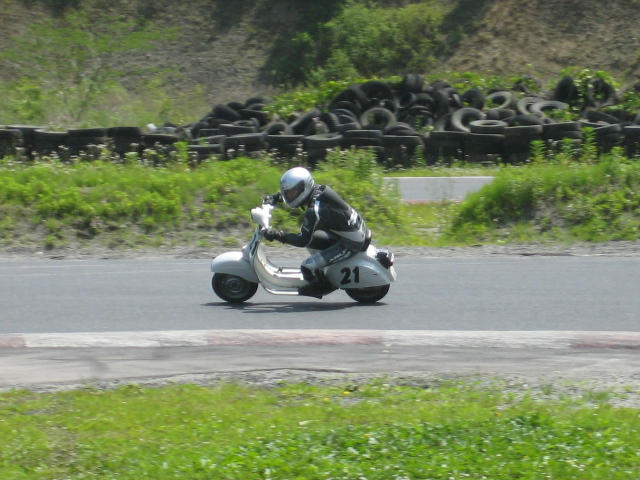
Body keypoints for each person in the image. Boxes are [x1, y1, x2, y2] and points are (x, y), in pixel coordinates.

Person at [263, 167, 368, 298]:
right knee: (313, 242)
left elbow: (303, 240)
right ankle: (324, 270)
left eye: (292, 192)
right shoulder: (318, 190)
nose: (290, 196)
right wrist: (277, 197)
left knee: (307, 267)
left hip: (351, 242)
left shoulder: (315, 210)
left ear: (304, 188)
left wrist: (277, 235)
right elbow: (307, 239)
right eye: (287, 193)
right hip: (350, 230)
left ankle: (324, 286)